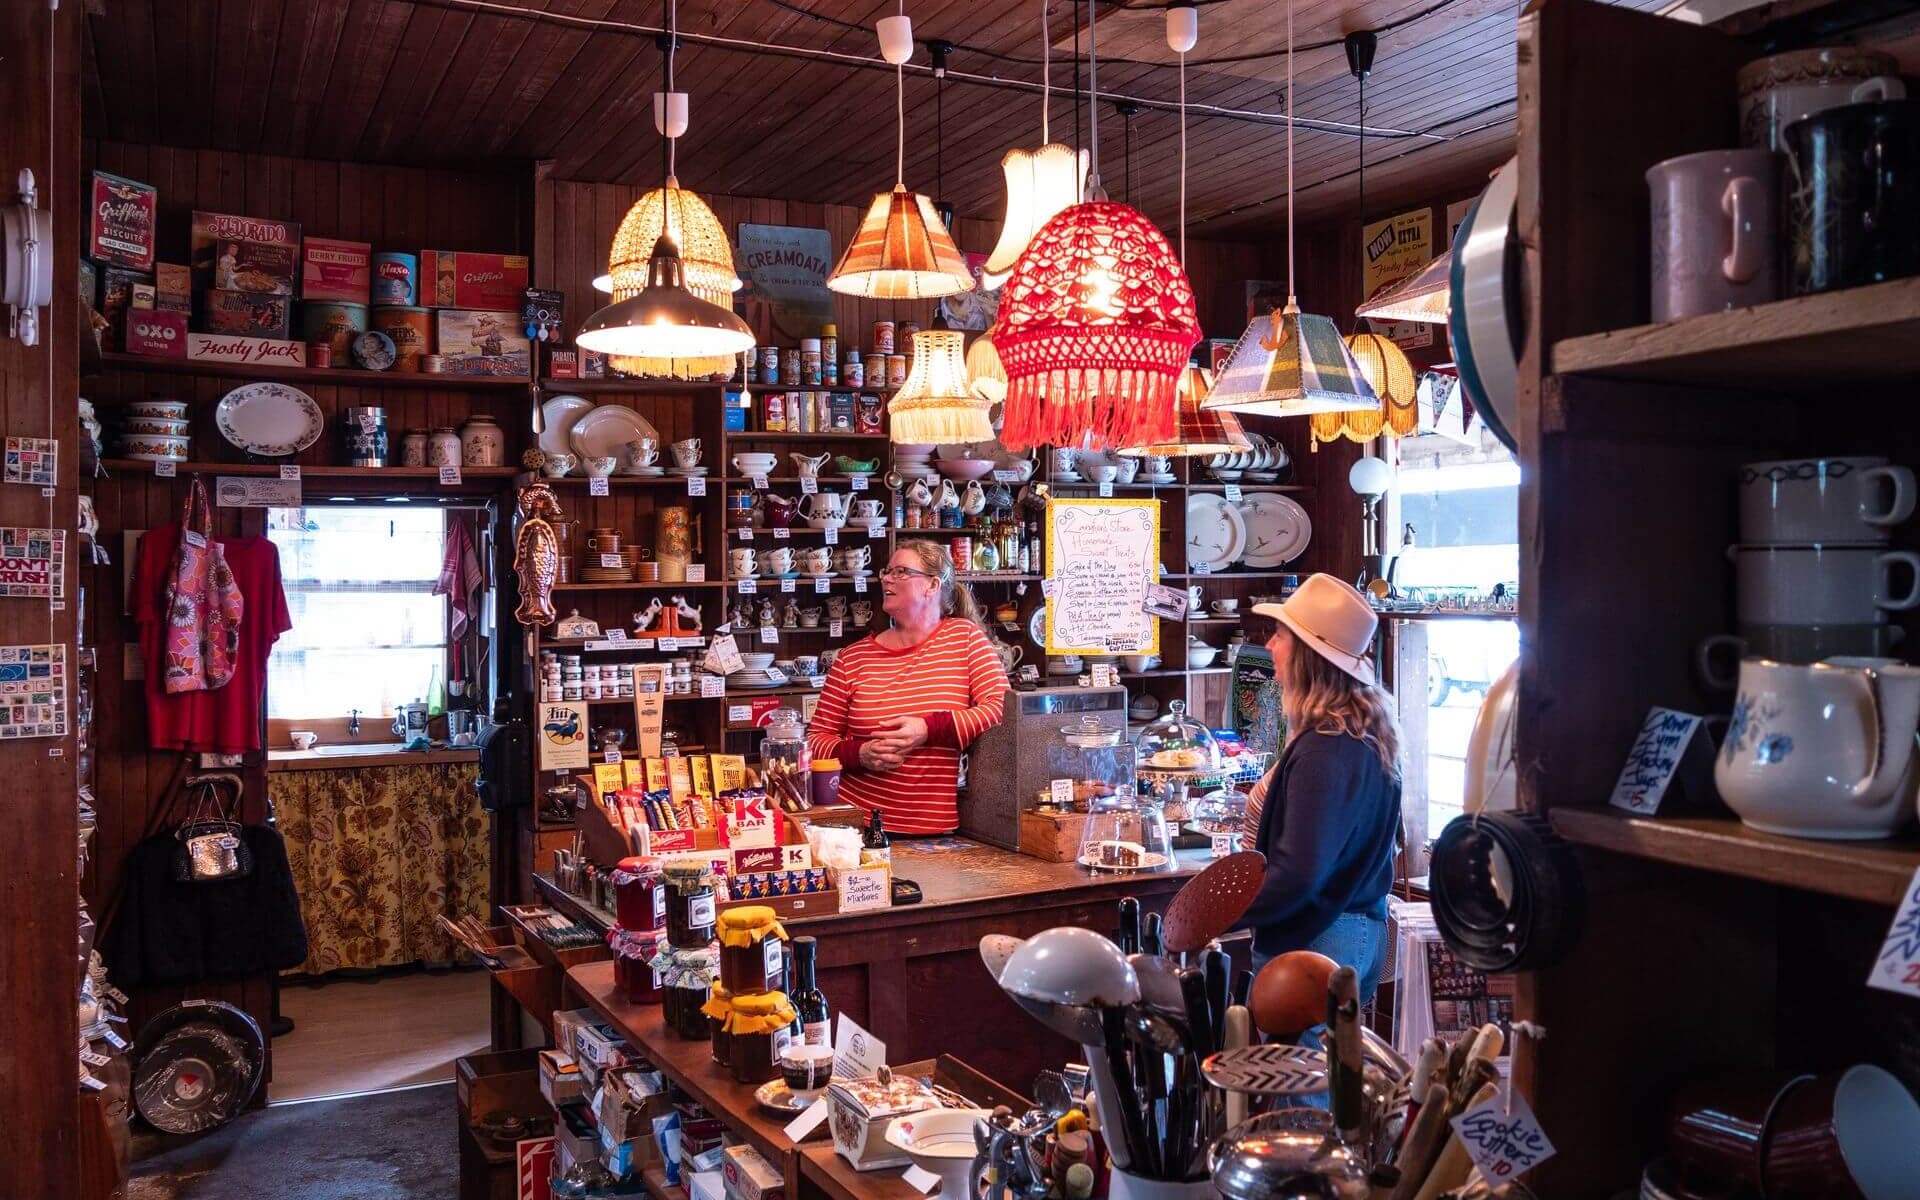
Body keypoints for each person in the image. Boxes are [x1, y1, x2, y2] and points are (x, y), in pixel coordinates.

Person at [1238, 573, 1403, 1004]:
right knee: (1338, 1069)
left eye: (1279, 635)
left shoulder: (1323, 750)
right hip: (1358, 927)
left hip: (1320, 938)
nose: (1270, 646)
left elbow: (1298, 875)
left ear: (1308, 655)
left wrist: (1225, 911)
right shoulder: (1362, 733)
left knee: (1300, 1072)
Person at [805, 540, 1009, 835]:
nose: (887, 578)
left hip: (931, 832)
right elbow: (813, 743)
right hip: (852, 829)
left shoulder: (964, 640)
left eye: (901, 572)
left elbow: (1001, 707)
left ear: (932, 585)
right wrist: (858, 754)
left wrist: (928, 729)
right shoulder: (852, 659)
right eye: (887, 572)